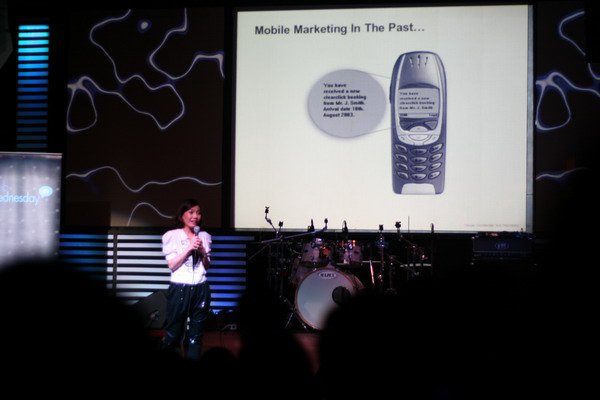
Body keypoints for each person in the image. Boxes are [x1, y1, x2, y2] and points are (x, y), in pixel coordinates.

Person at [161, 198, 212, 360]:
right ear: (182, 215)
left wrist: (203, 251)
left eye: (198, 213)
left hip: (201, 288)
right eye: (191, 212)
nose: (195, 216)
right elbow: (172, 265)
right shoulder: (172, 236)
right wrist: (189, 248)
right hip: (180, 288)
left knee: (196, 335)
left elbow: (206, 266)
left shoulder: (204, 236)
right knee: (174, 333)